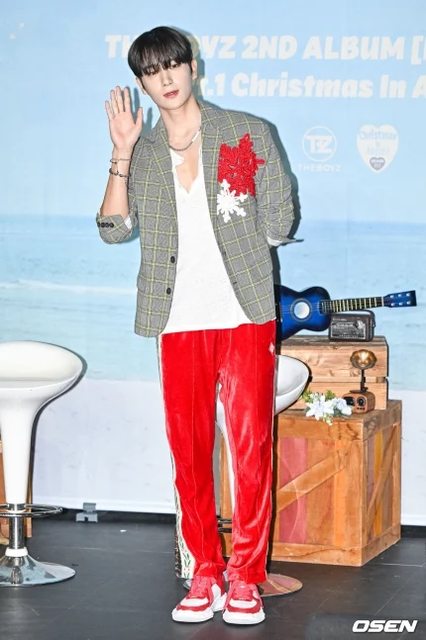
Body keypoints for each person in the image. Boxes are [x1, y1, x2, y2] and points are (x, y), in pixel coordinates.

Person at [96, 26, 294, 626]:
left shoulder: (247, 132)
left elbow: (280, 220)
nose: (166, 79)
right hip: (177, 318)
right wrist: (122, 150)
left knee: (250, 449)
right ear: (142, 82)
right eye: (152, 71)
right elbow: (112, 230)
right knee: (189, 453)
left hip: (243, 314)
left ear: (192, 67)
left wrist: (252, 221)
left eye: (173, 65)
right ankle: (206, 569)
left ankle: (246, 577)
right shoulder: (143, 151)